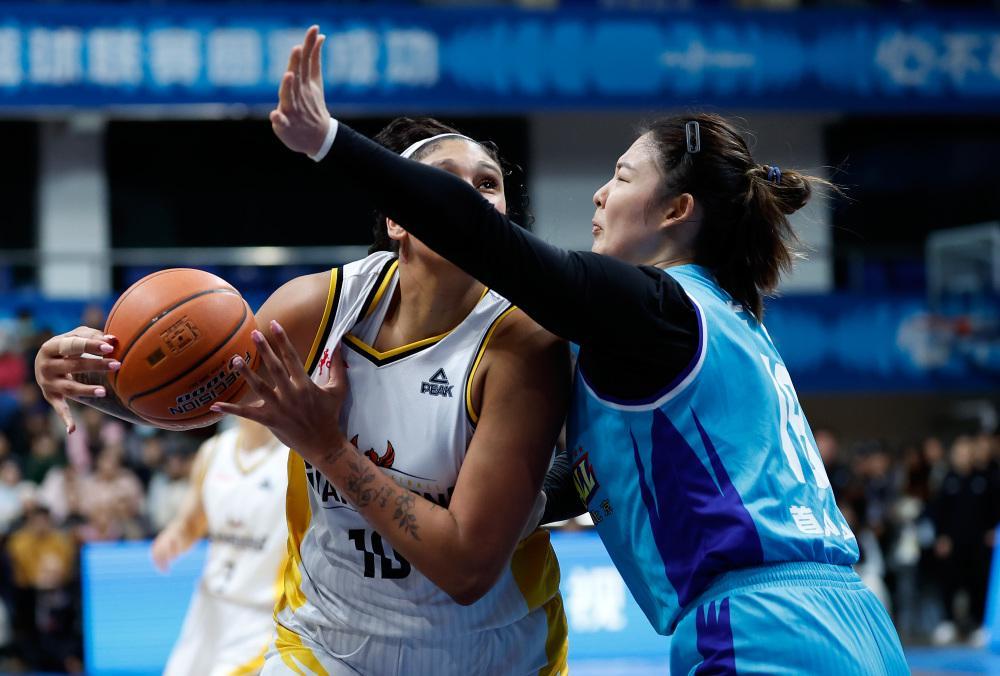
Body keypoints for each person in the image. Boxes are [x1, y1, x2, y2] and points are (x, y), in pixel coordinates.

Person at [269, 26, 909, 674]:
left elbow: (486, 240)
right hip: (851, 620)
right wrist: (494, 501)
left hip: (762, 626)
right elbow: (608, 480)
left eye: (622, 177)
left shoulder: (654, 308)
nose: (600, 194)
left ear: (676, 210)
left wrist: (328, 140)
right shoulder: (716, 316)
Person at [34, 115, 570, 674]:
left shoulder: (525, 344)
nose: (470, 195)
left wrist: (328, 449)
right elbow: (203, 396)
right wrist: (86, 380)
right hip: (327, 640)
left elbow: (466, 569)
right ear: (396, 221)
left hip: (490, 653)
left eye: (487, 183)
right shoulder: (320, 306)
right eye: (443, 179)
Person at [151, 418, 289, 676]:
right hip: (208, 605)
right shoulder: (213, 450)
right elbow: (190, 524)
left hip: (263, 613)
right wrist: (174, 536)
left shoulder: (296, 455)